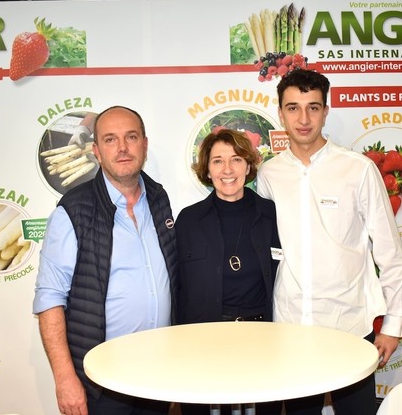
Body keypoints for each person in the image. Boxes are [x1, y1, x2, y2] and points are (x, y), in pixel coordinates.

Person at [256, 69, 402, 415]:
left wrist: (392, 325)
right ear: (280, 113)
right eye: (293, 108)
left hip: (349, 328)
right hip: (291, 329)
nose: (303, 118)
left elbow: (390, 254)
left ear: (326, 111)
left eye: (313, 107)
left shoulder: (358, 169)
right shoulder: (269, 174)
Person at [33, 106, 177, 415]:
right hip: (101, 383)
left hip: (158, 374)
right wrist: (64, 378)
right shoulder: (73, 210)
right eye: (111, 139)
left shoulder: (159, 199)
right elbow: (50, 298)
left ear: (144, 145)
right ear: (96, 151)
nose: (122, 148)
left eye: (131, 137)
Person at [175, 128, 283, 415]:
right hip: (204, 342)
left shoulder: (272, 214)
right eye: (217, 161)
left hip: (263, 341)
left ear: (248, 166)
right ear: (207, 170)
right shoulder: (188, 220)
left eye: (236, 159)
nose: (227, 169)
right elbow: (178, 290)